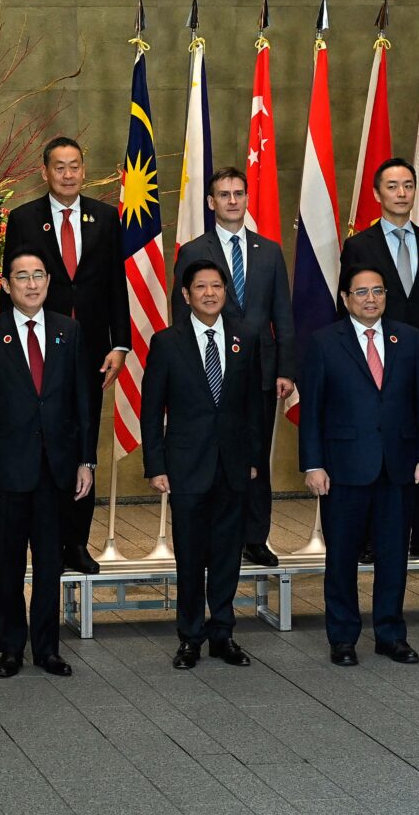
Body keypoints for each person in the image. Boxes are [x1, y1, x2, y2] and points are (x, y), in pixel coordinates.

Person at [298, 266, 419, 667]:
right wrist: (313, 464)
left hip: (399, 466)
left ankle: (391, 634)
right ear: (345, 299)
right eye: (361, 292)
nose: (370, 299)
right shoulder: (325, 342)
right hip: (342, 468)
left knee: (394, 555)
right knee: (341, 556)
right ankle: (342, 637)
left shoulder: (408, 338)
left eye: (377, 291)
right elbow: (312, 412)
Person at [3, 136, 128, 574]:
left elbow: (116, 284)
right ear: (45, 172)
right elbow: (12, 285)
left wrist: (120, 343)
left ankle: (76, 542)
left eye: (75, 166)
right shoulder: (23, 218)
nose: (69, 174)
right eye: (60, 167)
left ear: (83, 169)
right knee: (42, 441)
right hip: (39, 348)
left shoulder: (106, 218)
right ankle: (44, 539)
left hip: (91, 350)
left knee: (82, 442)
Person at [0, 250, 95, 678]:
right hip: (7, 468)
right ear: (6, 285)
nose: (32, 284)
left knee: (49, 562)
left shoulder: (69, 331)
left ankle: (47, 649)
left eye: (38, 275)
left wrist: (86, 461)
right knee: (9, 560)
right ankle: (9, 647)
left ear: (48, 281)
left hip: (57, 466)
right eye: (22, 277)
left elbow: (83, 403)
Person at [172, 167, 295, 568]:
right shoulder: (193, 251)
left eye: (238, 193)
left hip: (259, 372)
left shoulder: (270, 251)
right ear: (211, 202)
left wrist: (286, 369)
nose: (231, 200)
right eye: (223, 194)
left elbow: (283, 316)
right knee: (213, 456)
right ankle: (214, 536)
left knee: (256, 455)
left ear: (246, 198)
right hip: (211, 372)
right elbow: (180, 317)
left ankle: (256, 538)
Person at [336, 158, 419, 564]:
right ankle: (371, 539)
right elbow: (348, 307)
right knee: (378, 444)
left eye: (408, 185)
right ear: (377, 194)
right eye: (392, 186)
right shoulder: (359, 245)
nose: (401, 193)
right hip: (375, 361)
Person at [144, 260, 263, 670]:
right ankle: (190, 636)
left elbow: (253, 407)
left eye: (217, 286)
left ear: (225, 293)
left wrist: (251, 459)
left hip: (232, 465)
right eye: (201, 287)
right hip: (185, 466)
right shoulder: (166, 342)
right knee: (191, 556)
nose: (210, 293)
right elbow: (150, 410)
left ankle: (223, 634)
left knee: (229, 554)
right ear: (186, 294)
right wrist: (155, 464)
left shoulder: (245, 337)